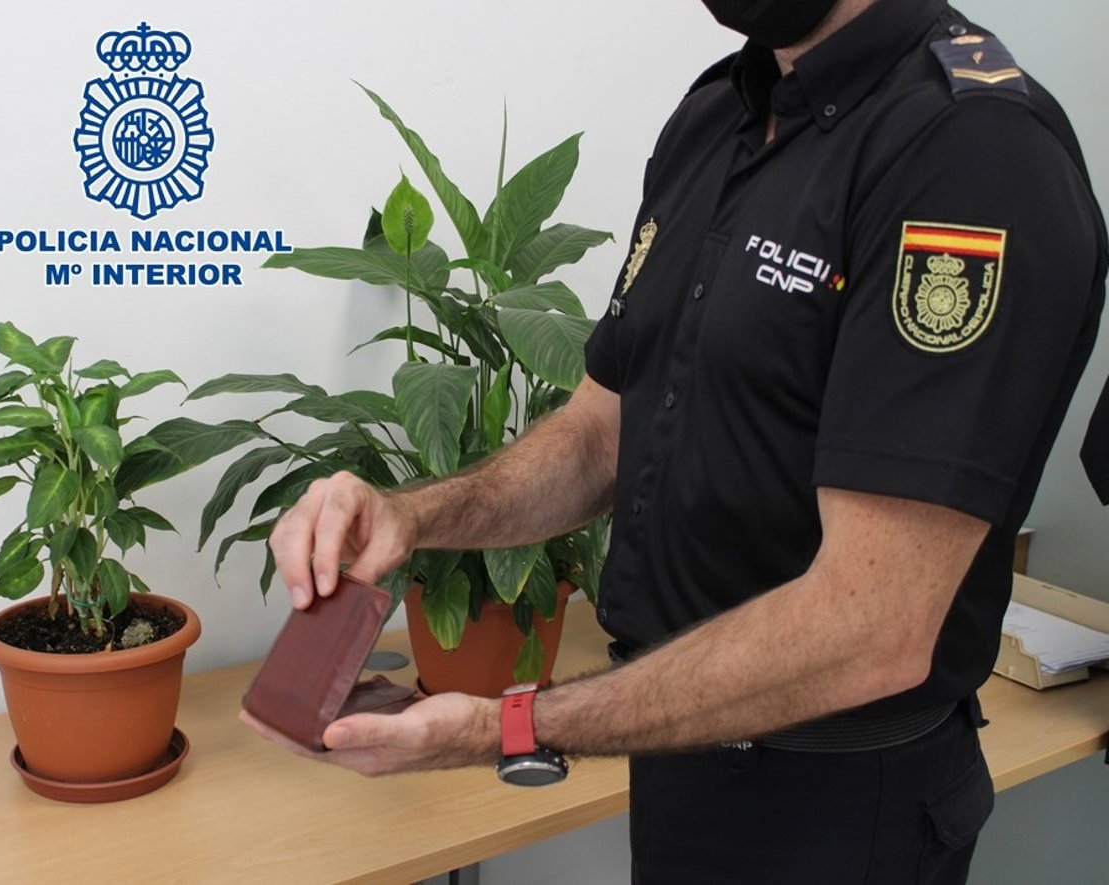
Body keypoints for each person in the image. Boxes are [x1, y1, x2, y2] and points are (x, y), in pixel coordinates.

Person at [257, 0, 1108, 881]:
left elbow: (872, 628)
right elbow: (601, 434)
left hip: (841, 808)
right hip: (680, 760)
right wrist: (412, 515)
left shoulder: (971, 153)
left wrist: (507, 726)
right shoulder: (719, 114)